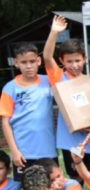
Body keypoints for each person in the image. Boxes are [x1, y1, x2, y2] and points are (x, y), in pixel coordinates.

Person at [43, 16, 90, 179]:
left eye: (77, 60)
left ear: (85, 59)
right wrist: (54, 32)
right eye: (69, 61)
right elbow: (47, 57)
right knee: (76, 180)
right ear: (62, 61)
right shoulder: (59, 78)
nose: (74, 65)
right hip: (69, 142)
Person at [0, 43, 56, 181]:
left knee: (50, 189)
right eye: (24, 62)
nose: (29, 66)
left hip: (48, 151)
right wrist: (14, 151)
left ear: (38, 61)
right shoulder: (10, 88)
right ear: (16, 63)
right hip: (23, 153)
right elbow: (5, 121)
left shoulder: (48, 81)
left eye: (32, 61)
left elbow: (69, 84)